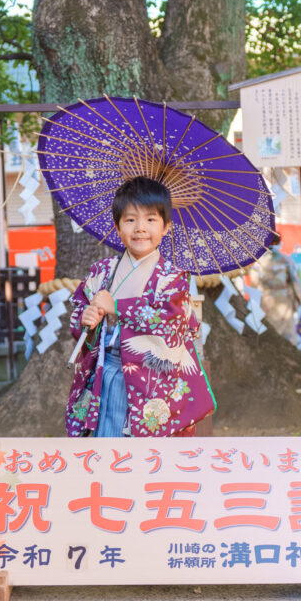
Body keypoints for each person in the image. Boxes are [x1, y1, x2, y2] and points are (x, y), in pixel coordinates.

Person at [66, 176, 215, 438]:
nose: (140, 228)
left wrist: (116, 307)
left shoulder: (173, 277)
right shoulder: (103, 271)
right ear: (117, 226)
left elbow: (172, 319)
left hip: (153, 383)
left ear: (166, 227)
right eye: (130, 219)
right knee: (106, 446)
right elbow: (81, 310)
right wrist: (87, 320)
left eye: (150, 219)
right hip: (107, 374)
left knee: (148, 458)